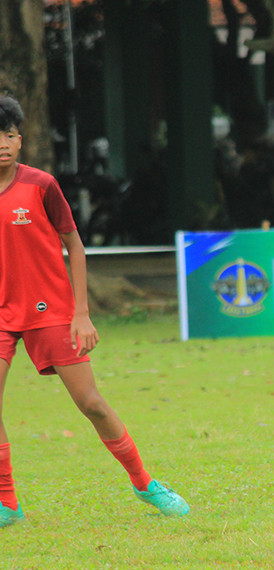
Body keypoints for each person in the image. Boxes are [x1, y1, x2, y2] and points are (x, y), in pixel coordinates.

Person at [0, 96, 188, 528]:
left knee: (91, 403)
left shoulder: (41, 185)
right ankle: (7, 503)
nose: (3, 144)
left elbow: (75, 244)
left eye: (9, 135)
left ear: (21, 140)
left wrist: (81, 313)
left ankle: (144, 483)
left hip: (49, 309)